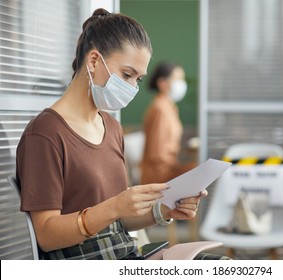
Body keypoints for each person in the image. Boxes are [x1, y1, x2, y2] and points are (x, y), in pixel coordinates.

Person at [15, 9, 223, 260]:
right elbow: (46, 236)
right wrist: (114, 206)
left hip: (126, 255)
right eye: (127, 74)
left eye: (138, 79)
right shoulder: (45, 134)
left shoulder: (112, 128)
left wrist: (165, 210)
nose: (132, 87)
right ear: (93, 61)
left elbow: (118, 219)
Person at [140, 62, 196, 185]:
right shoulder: (160, 109)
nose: (182, 84)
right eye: (178, 79)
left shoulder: (169, 108)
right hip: (159, 178)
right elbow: (157, 154)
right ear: (163, 83)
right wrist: (183, 170)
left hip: (168, 171)